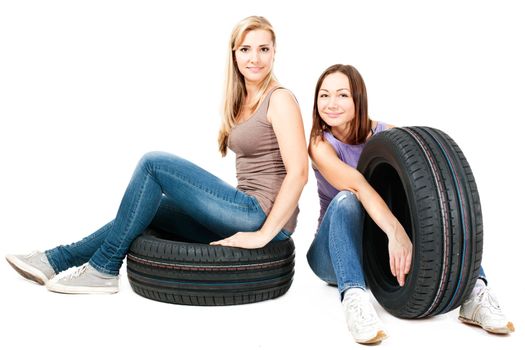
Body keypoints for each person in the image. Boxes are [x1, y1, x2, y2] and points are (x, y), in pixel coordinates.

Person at [6, 16, 308, 295]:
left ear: (274, 52)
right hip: (244, 212)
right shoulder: (240, 101)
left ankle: (104, 268)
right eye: (245, 49)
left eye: (263, 49)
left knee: (154, 164)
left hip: (261, 215)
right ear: (234, 54)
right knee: (154, 207)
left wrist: (262, 235)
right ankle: (56, 260)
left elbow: (298, 173)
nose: (254, 58)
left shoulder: (279, 99)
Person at [306, 64, 514, 344]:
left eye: (342, 95)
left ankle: (474, 292)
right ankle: (354, 299)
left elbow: (425, 170)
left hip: (381, 253)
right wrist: (395, 230)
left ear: (358, 99)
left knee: (435, 204)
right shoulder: (320, 144)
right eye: (324, 95)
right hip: (333, 253)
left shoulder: (382, 133)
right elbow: (357, 183)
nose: (331, 104)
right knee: (348, 200)